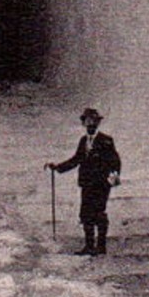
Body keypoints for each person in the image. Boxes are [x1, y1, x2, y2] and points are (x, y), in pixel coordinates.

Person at [45, 108, 121, 255]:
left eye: (93, 122)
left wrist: (113, 179)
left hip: (101, 184)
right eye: (87, 122)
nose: (90, 125)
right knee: (86, 214)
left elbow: (115, 162)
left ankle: (101, 246)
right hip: (86, 184)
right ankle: (89, 246)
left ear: (98, 123)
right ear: (84, 124)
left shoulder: (106, 140)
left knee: (99, 212)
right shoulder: (83, 141)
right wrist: (58, 167)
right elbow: (76, 159)